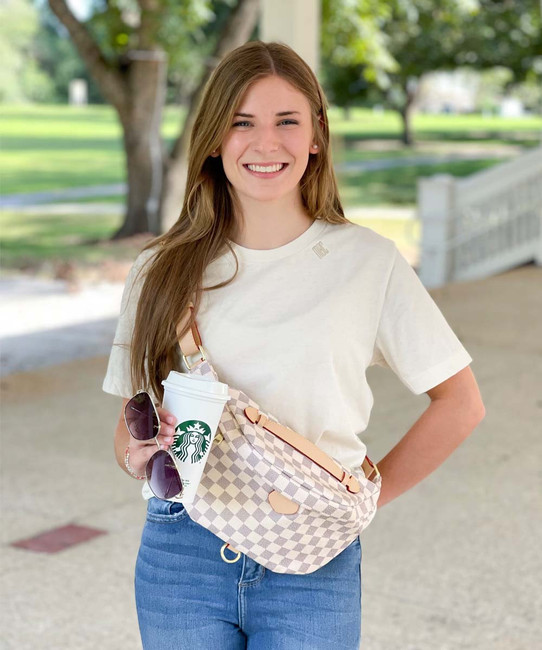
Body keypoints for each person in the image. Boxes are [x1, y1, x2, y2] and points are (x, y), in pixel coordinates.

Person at [103, 40, 485, 650]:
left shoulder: (367, 263)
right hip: (182, 553)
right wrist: (137, 456)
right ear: (212, 139)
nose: (266, 143)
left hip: (313, 563)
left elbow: (460, 404)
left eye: (288, 122)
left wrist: (356, 502)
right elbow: (130, 422)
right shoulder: (160, 269)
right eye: (242, 123)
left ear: (315, 137)